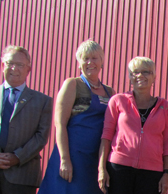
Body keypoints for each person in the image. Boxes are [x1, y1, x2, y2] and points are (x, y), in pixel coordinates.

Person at [0, 45, 53, 194]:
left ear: (28, 70)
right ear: (2, 66)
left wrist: (17, 157)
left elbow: (41, 136)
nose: (14, 68)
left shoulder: (43, 101)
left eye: (20, 65)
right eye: (10, 63)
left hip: (22, 175)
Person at [39, 40, 116, 193]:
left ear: (102, 61)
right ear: (79, 62)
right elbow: (60, 124)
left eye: (95, 58)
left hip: (96, 160)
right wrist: (64, 159)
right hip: (73, 158)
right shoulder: (72, 84)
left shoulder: (110, 92)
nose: (90, 62)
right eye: (85, 58)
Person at [97, 57, 168, 194]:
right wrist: (102, 169)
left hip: (151, 173)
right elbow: (106, 136)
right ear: (129, 77)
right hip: (118, 169)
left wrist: (166, 174)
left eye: (146, 72)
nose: (140, 76)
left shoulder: (165, 107)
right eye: (135, 72)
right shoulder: (117, 101)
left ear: (154, 77)